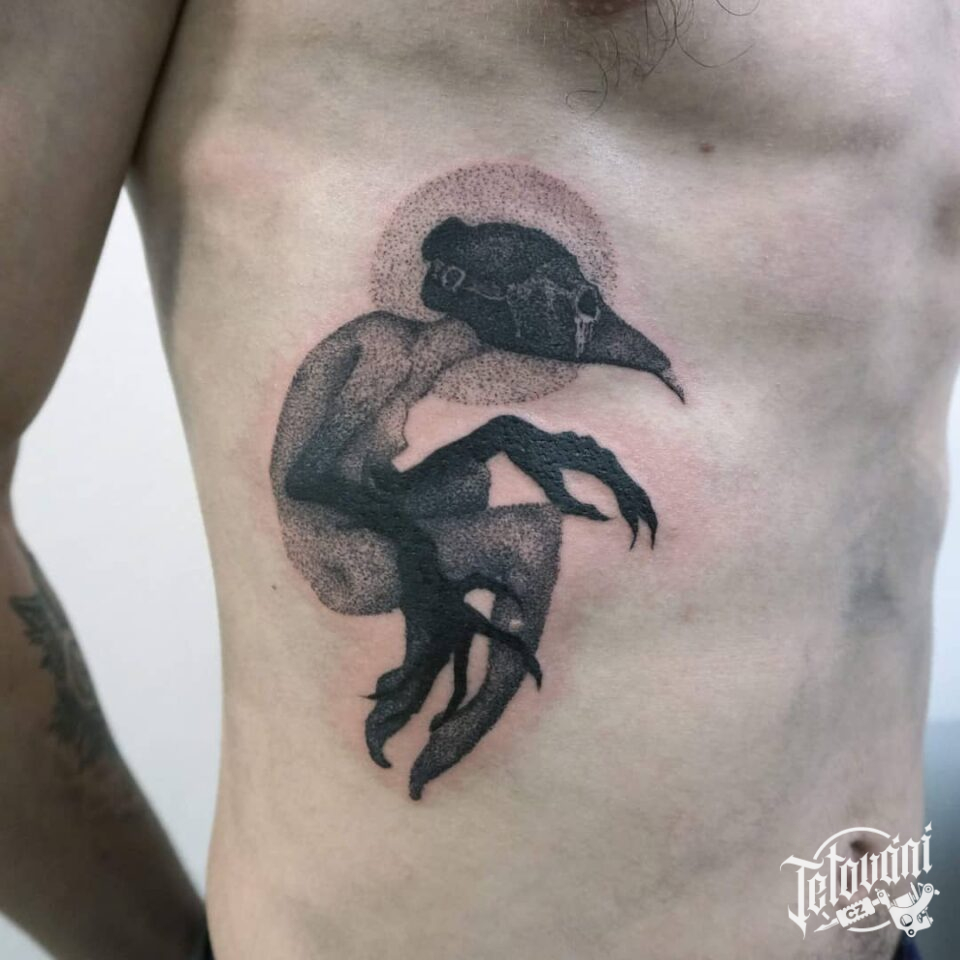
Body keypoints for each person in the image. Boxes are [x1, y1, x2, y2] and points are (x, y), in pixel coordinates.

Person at [1, 1, 957, 958]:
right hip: (347, 545)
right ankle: (448, 720)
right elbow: (318, 477)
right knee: (522, 537)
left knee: (517, 504)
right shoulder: (378, 348)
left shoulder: (444, 363)